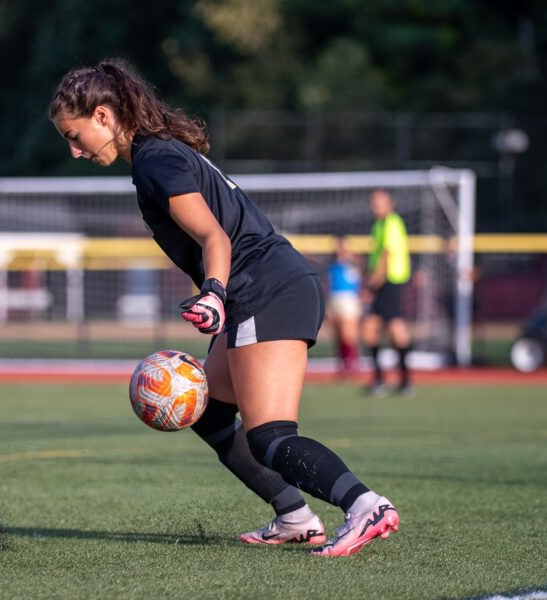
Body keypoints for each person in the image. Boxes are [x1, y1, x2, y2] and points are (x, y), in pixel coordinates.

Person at [49, 59, 399, 557]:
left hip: (265, 289)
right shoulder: (158, 152)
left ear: (103, 116)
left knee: (270, 437)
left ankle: (365, 505)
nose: (74, 149)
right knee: (210, 412)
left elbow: (214, 236)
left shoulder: (154, 159)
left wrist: (213, 292)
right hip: (262, 287)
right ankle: (295, 517)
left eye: (75, 135)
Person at [361, 190, 413, 396]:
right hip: (383, 282)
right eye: (373, 202)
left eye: (379, 202)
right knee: (370, 329)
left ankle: (405, 381)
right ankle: (381, 379)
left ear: (390, 204)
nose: (374, 206)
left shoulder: (391, 223)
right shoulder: (378, 225)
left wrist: (372, 284)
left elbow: (386, 255)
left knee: (395, 328)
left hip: (390, 282)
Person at [326, 237, 362, 377]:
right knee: (337, 335)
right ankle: (342, 365)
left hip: (348, 299)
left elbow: (358, 284)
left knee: (348, 335)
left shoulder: (352, 265)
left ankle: (352, 364)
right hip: (334, 298)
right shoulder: (332, 266)